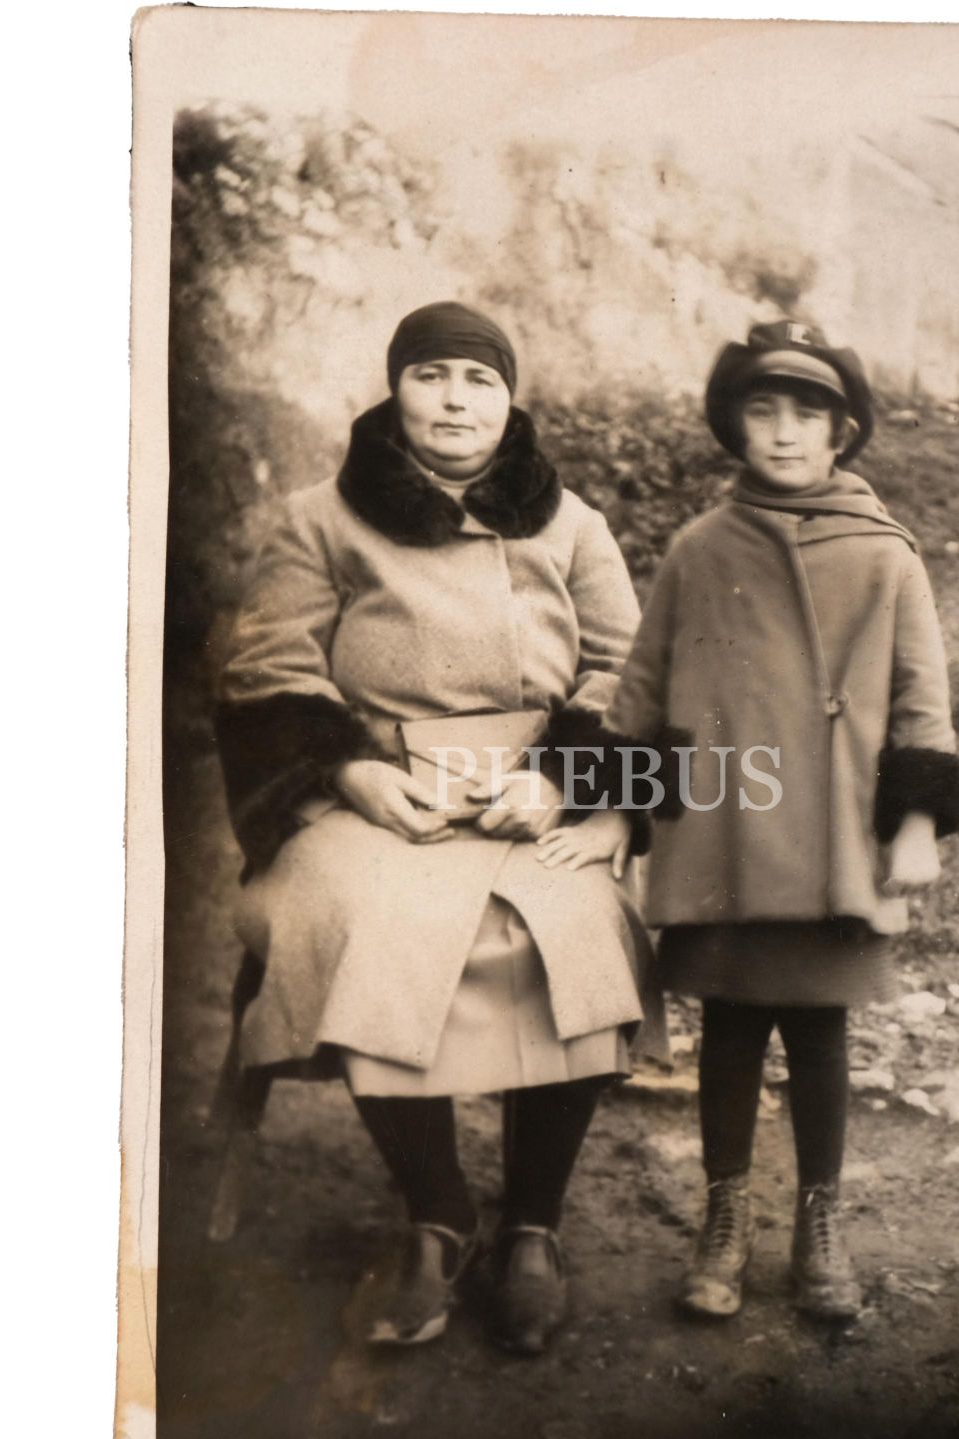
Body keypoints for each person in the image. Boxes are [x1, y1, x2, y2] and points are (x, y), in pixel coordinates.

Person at [214, 301, 653, 1355]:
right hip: (377, 794)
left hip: (528, 795)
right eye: (431, 375)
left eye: (479, 380)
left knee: (575, 926)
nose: (456, 400)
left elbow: (628, 669)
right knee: (367, 923)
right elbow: (268, 663)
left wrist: (562, 781)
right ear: (396, 387)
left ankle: (533, 1224)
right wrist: (351, 771)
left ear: (509, 401)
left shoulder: (572, 525)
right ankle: (439, 1214)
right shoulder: (320, 517)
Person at [605, 319, 959, 1321]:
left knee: (817, 1031)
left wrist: (917, 821)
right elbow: (641, 690)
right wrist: (616, 817)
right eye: (762, 410)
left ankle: (820, 1221)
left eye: (808, 413)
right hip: (726, 828)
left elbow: (921, 697)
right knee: (728, 1028)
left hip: (835, 836)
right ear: (735, 427)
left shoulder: (886, 554)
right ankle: (725, 1216)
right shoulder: (699, 547)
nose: (783, 431)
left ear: (842, 432)